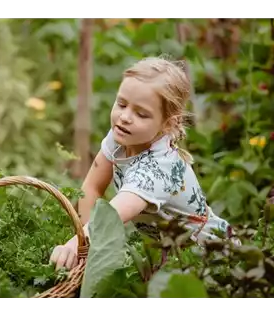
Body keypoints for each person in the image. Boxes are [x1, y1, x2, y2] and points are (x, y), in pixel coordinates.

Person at [50, 56, 238, 270]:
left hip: (212, 258)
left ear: (168, 124)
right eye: (121, 104)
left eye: (141, 114)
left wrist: (76, 245)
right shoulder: (121, 137)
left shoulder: (157, 169)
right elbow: (92, 188)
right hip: (170, 256)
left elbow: (110, 218)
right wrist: (83, 244)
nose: (125, 117)